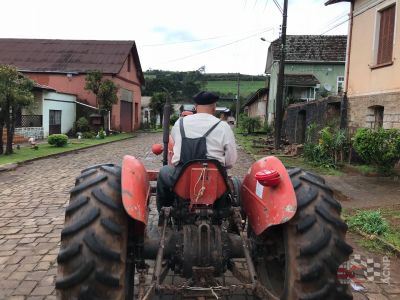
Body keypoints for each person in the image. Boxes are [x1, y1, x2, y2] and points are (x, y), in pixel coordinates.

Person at [156, 91, 238, 213]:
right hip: (214, 179)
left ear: (195, 107)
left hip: (181, 180)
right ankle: (221, 210)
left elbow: (175, 142)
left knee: (163, 172)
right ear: (214, 107)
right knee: (225, 178)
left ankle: (164, 209)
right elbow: (230, 160)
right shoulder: (223, 126)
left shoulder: (180, 123)